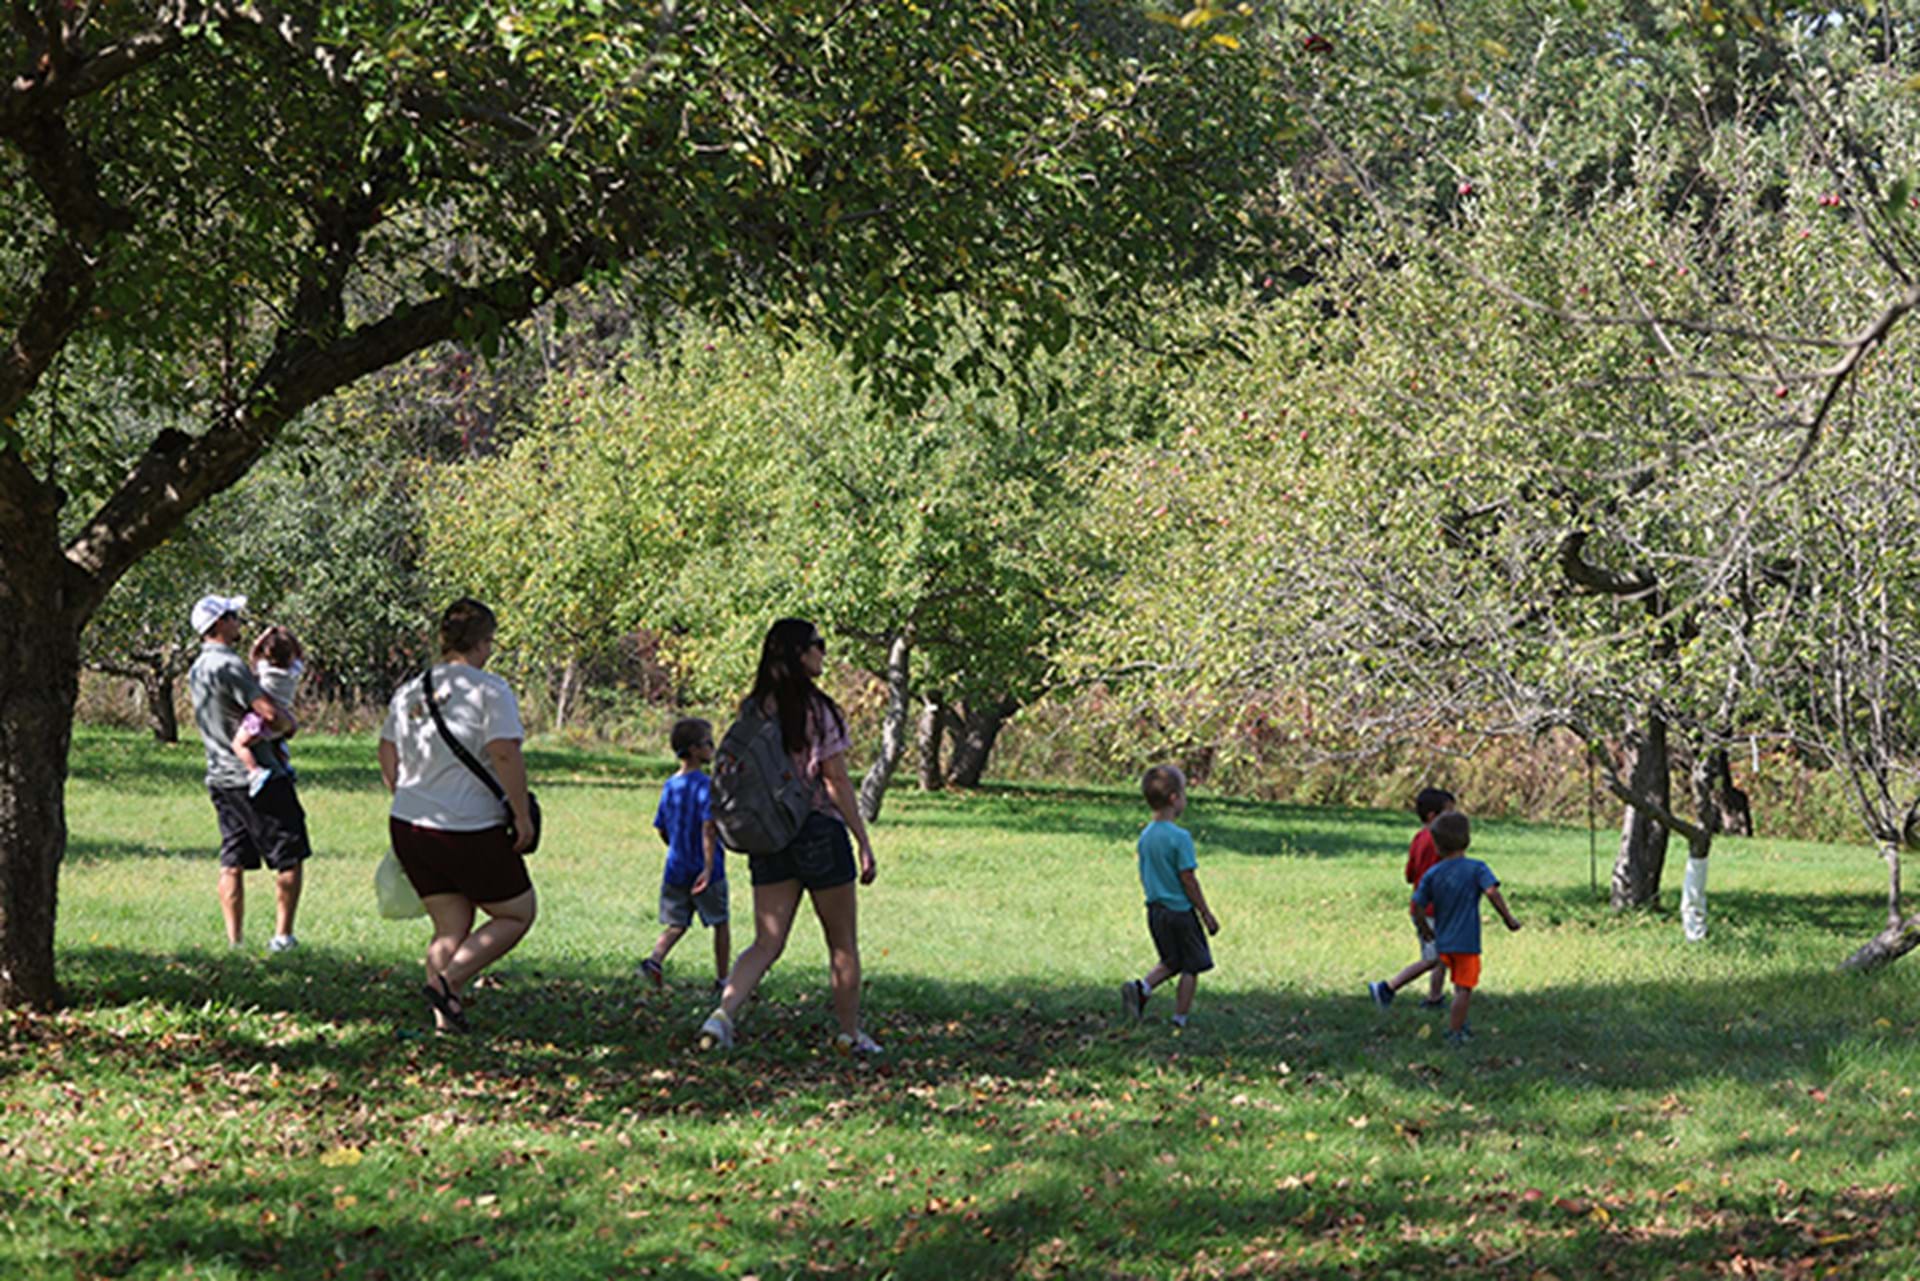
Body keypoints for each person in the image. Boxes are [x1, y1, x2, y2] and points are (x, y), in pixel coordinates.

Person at [697, 619, 879, 1057]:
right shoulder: (819, 711)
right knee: (841, 943)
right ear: (801, 653)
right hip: (818, 831)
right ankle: (849, 1034)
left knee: (765, 942)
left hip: (770, 836)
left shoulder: (754, 708)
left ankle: (721, 1017)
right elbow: (834, 778)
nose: (824, 653)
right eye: (818, 645)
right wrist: (863, 839)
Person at [378, 598, 537, 1034]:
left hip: (410, 824)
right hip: (466, 826)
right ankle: (449, 983)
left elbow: (387, 749)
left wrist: (407, 792)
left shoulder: (411, 689)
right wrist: (521, 816)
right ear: (483, 642)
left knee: (451, 924)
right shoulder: (489, 689)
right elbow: (504, 752)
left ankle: (445, 1023)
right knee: (517, 912)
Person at [187, 594, 310, 954]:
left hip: (220, 777)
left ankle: (234, 942)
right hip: (257, 777)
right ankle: (283, 938)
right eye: (233, 615)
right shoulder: (229, 666)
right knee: (289, 853)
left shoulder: (198, 668)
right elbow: (267, 713)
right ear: (219, 623)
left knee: (233, 859)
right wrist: (289, 726)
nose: (238, 621)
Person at [1368, 812, 1521, 1046]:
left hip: (1443, 940)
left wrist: (1424, 928)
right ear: (1467, 840)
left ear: (1437, 846)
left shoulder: (1433, 873)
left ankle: (1440, 1011)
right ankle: (1455, 1031)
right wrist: (1508, 919)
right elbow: (1492, 892)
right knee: (1463, 989)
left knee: (1437, 968)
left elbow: (1418, 904)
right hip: (1467, 943)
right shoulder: (1477, 868)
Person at [1120, 763, 1220, 1029]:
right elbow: (1188, 879)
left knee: (1171, 960)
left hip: (1156, 910)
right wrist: (1205, 913)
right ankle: (1180, 1019)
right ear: (1175, 799)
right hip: (1180, 912)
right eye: (1184, 793)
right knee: (1192, 966)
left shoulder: (1146, 836)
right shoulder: (1180, 837)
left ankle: (1141, 988)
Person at [639, 717, 729, 992]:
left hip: (676, 868)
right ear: (692, 750)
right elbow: (709, 828)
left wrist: (676, 847)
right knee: (720, 923)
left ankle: (655, 961)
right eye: (708, 743)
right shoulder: (706, 785)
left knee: (677, 923)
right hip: (706, 870)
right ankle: (723, 978)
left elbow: (661, 827)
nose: (713, 748)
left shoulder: (670, 785)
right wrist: (708, 866)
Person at [1397, 786, 1455, 1009]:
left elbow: (1409, 874)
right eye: (1449, 813)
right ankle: (1388, 987)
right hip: (1434, 908)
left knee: (1440, 956)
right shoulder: (1441, 843)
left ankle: (1435, 997)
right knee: (1433, 958)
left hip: (1420, 906)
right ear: (1433, 816)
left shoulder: (1418, 838)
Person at [232, 625, 305, 797]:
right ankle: (285, 765)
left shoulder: (266, 671)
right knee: (278, 742)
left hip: (261, 717)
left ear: (268, 654)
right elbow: (301, 654)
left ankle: (254, 771)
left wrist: (263, 637)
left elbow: (253, 655)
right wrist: (289, 634)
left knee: (239, 744)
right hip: (284, 715)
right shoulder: (293, 673)